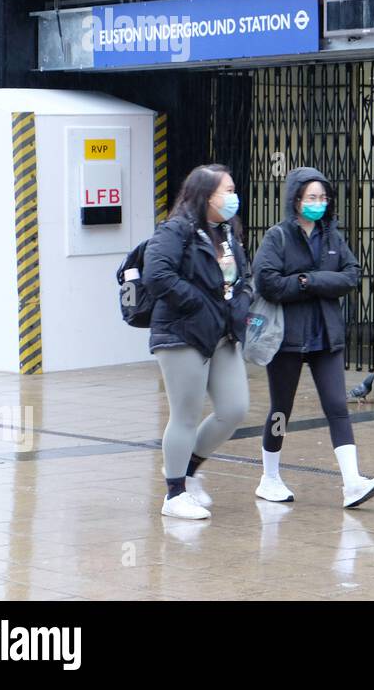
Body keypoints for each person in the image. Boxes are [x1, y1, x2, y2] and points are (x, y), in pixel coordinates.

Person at [253, 166, 374, 508]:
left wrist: (307, 281)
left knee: (338, 406)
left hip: (326, 336)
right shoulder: (277, 237)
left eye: (323, 197)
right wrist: (308, 283)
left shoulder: (332, 237)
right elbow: (268, 282)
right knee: (281, 410)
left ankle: (352, 483)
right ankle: (269, 478)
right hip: (287, 338)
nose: (318, 203)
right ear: (296, 199)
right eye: (311, 197)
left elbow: (352, 275)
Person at [144, 164, 253, 520]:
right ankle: (174, 494)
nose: (233, 197)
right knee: (186, 415)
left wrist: (241, 301)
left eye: (233, 189)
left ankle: (188, 471)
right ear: (204, 195)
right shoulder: (176, 230)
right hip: (182, 334)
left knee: (234, 409)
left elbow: (243, 275)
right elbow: (157, 274)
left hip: (222, 334)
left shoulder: (226, 233)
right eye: (226, 190)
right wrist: (198, 304)